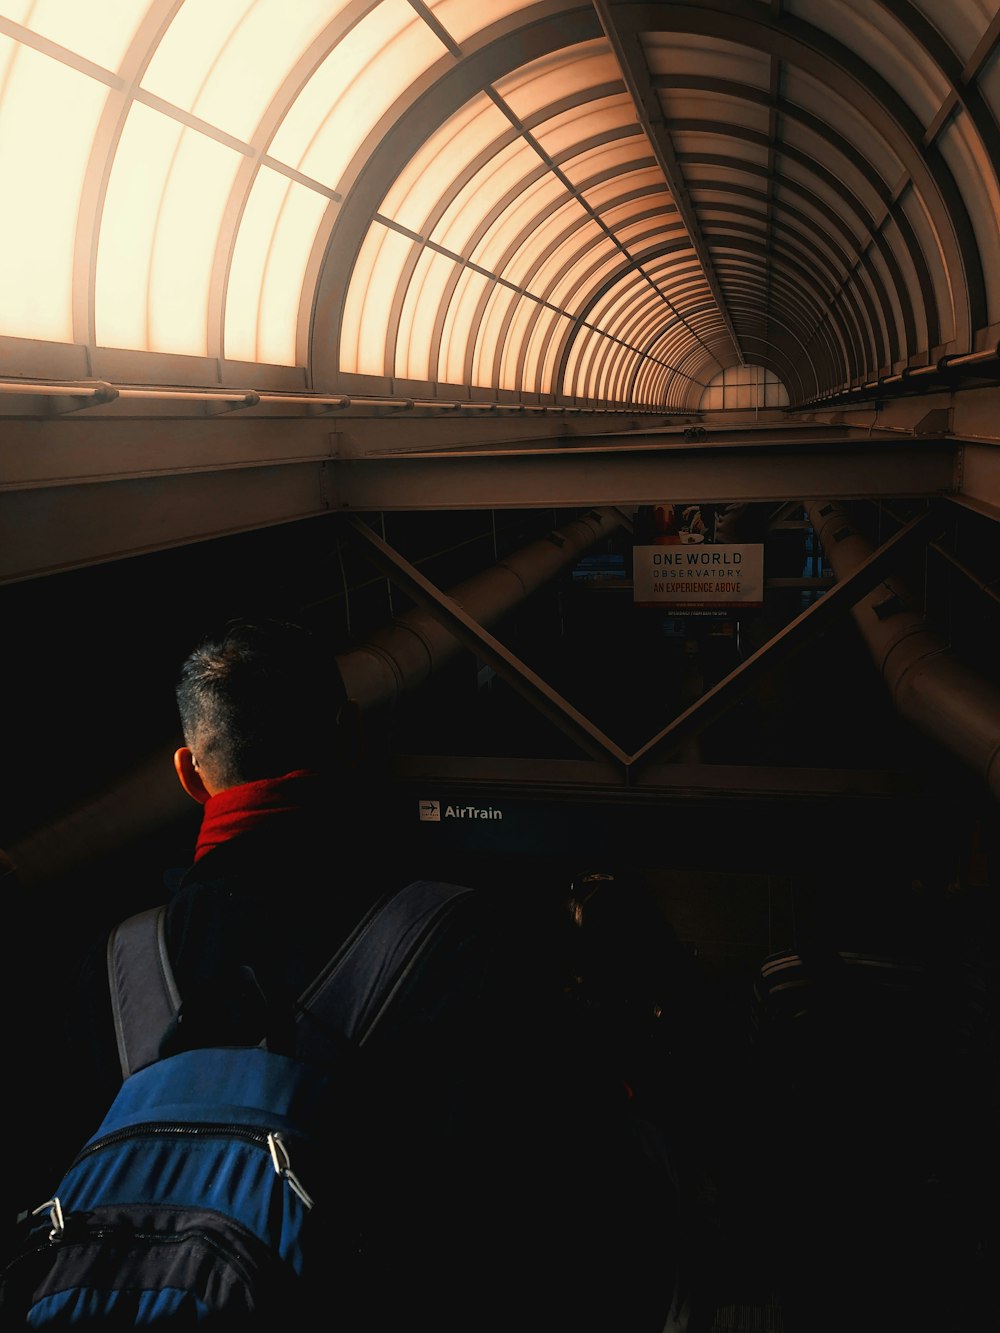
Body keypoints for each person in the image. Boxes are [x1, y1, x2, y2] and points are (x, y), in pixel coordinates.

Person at [16, 616, 689, 1331]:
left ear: (189, 773)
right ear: (352, 735)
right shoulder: (456, 936)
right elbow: (571, 1211)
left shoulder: (114, 967)